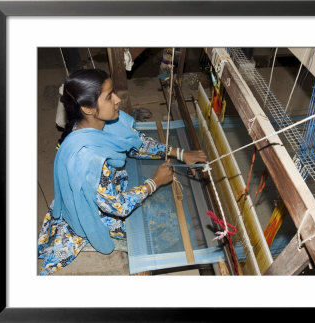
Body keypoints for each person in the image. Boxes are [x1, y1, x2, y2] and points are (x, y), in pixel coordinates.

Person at [38, 69, 207, 275]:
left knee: (167, 209)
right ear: (87, 108)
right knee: (167, 226)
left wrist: (178, 152)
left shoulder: (100, 124)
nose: (117, 100)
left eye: (113, 92)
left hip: (109, 189)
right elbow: (117, 207)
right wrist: (154, 182)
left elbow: (135, 142)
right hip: (101, 212)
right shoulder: (90, 161)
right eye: (109, 97)